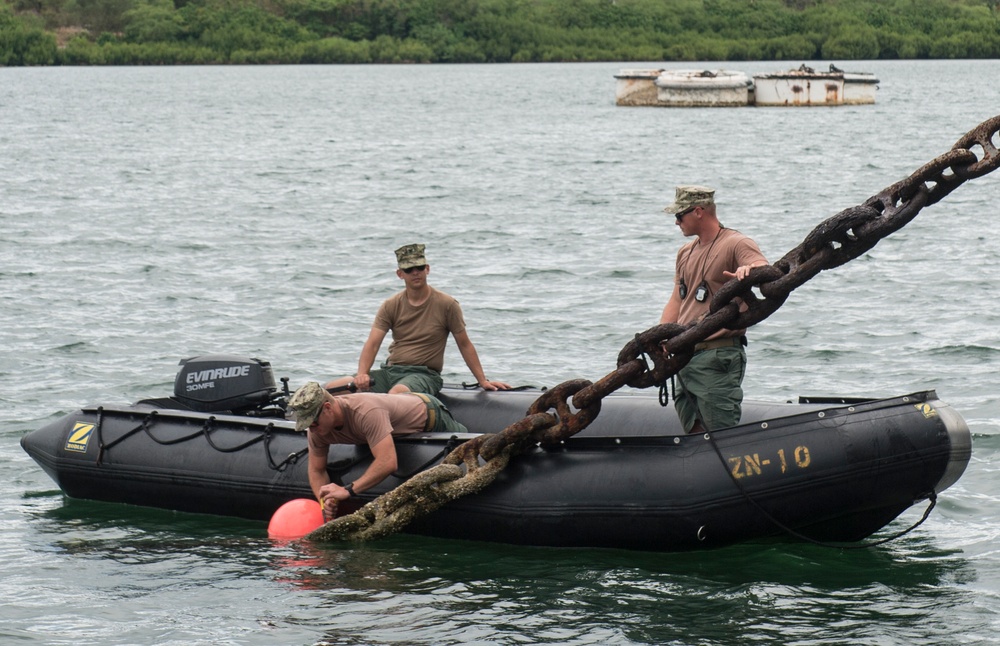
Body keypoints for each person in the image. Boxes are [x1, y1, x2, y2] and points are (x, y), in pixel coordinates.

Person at [326, 243, 510, 396]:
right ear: (400, 274)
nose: (416, 272)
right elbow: (373, 343)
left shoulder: (447, 304)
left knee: (396, 396)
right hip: (391, 371)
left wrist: (483, 381)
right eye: (409, 269)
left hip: (424, 374)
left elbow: (464, 343)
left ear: (427, 269)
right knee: (333, 389)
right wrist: (362, 374)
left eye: (420, 267)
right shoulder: (391, 305)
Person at [659, 185, 769, 434]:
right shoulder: (685, 252)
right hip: (685, 358)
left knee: (719, 434)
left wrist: (748, 271)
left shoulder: (736, 243)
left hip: (717, 355)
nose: (677, 222)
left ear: (698, 212)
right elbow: (677, 299)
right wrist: (660, 337)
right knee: (694, 431)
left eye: (679, 215)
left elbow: (763, 267)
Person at [287, 381, 469, 520]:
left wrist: (348, 490)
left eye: (313, 423)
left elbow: (388, 462)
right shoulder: (318, 430)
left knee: (468, 445)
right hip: (394, 420)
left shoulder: (366, 412)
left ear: (327, 408)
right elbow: (316, 469)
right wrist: (326, 502)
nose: (311, 429)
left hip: (430, 414)